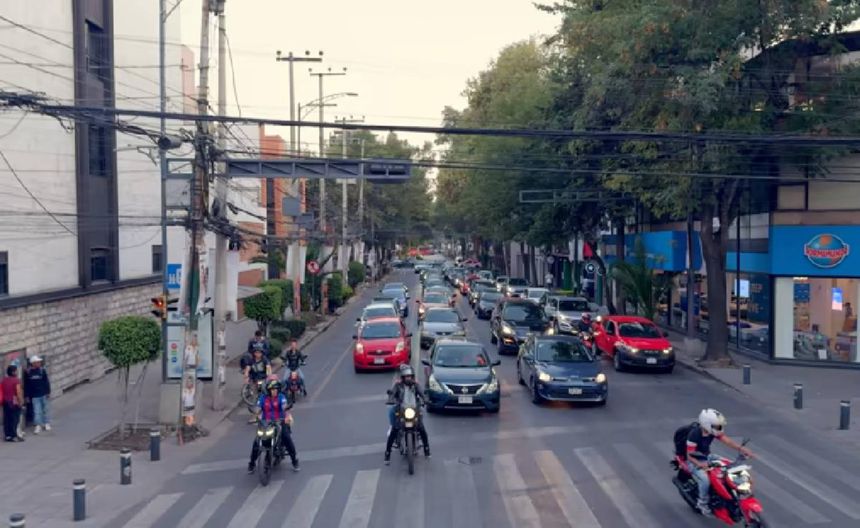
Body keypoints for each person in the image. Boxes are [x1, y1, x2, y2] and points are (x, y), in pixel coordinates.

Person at [685, 408, 754, 516]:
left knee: (732, 467)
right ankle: (702, 503)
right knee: (705, 480)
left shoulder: (711, 431)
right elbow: (689, 455)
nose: (720, 428)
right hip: (694, 461)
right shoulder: (694, 435)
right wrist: (700, 464)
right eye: (717, 426)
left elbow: (727, 441)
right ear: (707, 424)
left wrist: (741, 448)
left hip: (708, 457)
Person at [247, 378, 299, 473]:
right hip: (265, 423)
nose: (275, 391)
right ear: (268, 390)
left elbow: (284, 406)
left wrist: (286, 412)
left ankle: (294, 460)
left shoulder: (281, 397)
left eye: (276, 389)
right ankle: (252, 463)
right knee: (256, 443)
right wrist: (256, 413)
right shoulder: (263, 398)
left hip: (279, 422)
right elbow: (258, 408)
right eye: (273, 389)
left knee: (286, 437)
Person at [384, 365, 430, 464]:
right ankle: (387, 454)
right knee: (394, 430)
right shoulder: (398, 385)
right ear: (403, 377)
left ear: (412, 376)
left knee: (421, 428)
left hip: (414, 409)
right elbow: (392, 393)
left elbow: (422, 393)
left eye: (410, 376)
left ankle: (427, 449)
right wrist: (390, 399)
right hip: (402, 410)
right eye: (406, 376)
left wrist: (425, 399)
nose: (408, 378)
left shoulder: (416, 385)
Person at [23, 356, 51, 434]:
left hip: (43, 394)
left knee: (45, 409)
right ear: (33, 363)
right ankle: (38, 425)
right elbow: (27, 385)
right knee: (36, 411)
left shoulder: (42, 371)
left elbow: (46, 382)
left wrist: (48, 392)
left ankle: (46, 423)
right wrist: (26, 396)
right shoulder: (28, 372)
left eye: (39, 362)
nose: (39, 363)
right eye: (37, 362)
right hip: (34, 395)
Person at [244, 348, 272, 423]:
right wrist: (246, 376)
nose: (258, 354)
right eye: (256, 353)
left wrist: (269, 376)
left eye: (259, 353)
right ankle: (255, 415)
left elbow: (268, 368)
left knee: (263, 396)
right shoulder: (251, 360)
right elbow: (247, 368)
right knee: (254, 398)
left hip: (262, 380)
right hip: (254, 380)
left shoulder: (265, 360)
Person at [2, 365, 25, 442]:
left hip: (5, 402)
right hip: (14, 402)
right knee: (14, 419)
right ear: (13, 372)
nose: (17, 372)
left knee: (7, 419)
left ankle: (7, 435)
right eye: (16, 371)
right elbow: (18, 392)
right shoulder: (16, 381)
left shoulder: (4, 380)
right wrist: (21, 402)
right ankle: (13, 435)